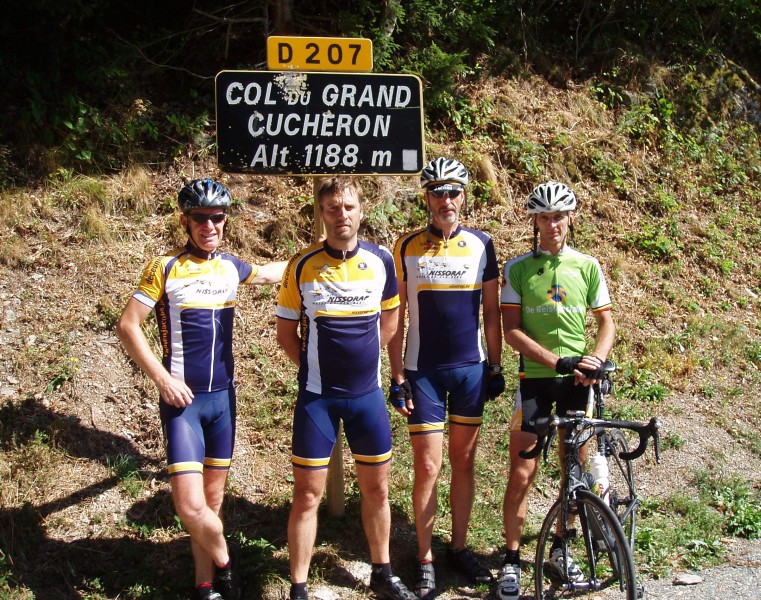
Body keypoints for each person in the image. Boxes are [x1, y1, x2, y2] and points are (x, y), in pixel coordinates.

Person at [116, 178, 288, 600]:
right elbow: (127, 325)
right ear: (185, 221)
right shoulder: (166, 267)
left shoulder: (229, 265)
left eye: (217, 217)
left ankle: (206, 585)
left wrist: (317, 256)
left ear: (225, 220)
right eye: (200, 218)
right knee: (190, 507)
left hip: (223, 401)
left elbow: (268, 274)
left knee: (211, 505)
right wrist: (163, 379)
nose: (209, 225)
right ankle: (227, 564)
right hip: (184, 404)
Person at [275, 177, 416, 600]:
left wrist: (369, 367)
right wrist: (315, 370)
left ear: (361, 210)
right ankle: (298, 586)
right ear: (321, 213)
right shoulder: (301, 264)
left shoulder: (381, 261)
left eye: (349, 207)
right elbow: (286, 334)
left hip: (367, 397)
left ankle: (382, 571)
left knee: (377, 488)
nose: (342, 215)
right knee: (307, 494)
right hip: (317, 398)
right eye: (333, 208)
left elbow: (391, 324)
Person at [387, 157, 504, 599]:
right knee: (428, 465)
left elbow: (491, 312)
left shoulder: (482, 245)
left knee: (465, 462)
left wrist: (495, 365)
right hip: (424, 372)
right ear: (426, 197)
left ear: (465, 195)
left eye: (454, 191)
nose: (446, 200)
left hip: (470, 370)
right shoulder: (407, 246)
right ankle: (425, 558)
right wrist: (396, 374)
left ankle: (457, 546)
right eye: (438, 191)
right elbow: (395, 318)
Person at [495, 181, 616, 600]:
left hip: (578, 381)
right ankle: (511, 560)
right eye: (544, 217)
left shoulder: (587, 265)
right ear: (534, 221)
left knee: (574, 473)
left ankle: (561, 549)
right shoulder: (518, 268)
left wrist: (595, 360)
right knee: (522, 472)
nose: (552, 225)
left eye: (559, 216)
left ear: (570, 218)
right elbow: (510, 330)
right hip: (535, 380)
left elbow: (606, 323)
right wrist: (556, 361)